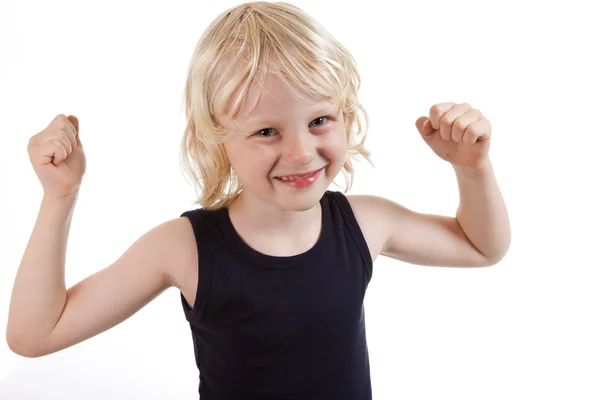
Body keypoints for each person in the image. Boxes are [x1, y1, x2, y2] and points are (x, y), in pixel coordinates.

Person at [6, 1, 511, 399]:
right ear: (215, 139)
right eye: (267, 130)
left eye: (319, 120)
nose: (300, 152)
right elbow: (34, 335)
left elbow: (480, 247)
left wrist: (472, 170)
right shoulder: (184, 247)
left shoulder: (365, 222)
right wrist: (60, 197)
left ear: (346, 114)